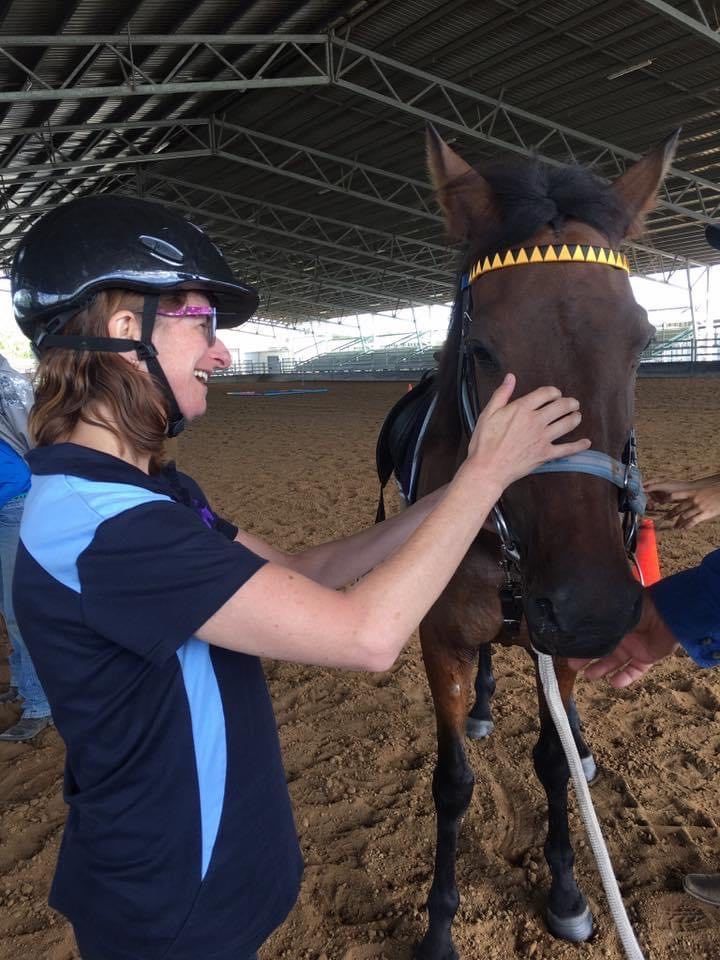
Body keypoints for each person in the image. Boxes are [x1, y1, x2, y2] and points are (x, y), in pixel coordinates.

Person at [10, 195, 589, 960]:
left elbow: (299, 571)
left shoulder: (147, 494)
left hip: (202, 883)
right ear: (125, 332)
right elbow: (368, 635)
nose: (219, 353)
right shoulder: (105, 527)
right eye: (201, 320)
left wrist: (457, 496)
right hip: (173, 909)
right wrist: (484, 475)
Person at [0, 352, 52, 741]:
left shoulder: (8, 383)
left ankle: (39, 701)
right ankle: (21, 682)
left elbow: (33, 436)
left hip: (14, 501)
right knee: (7, 606)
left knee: (18, 609)